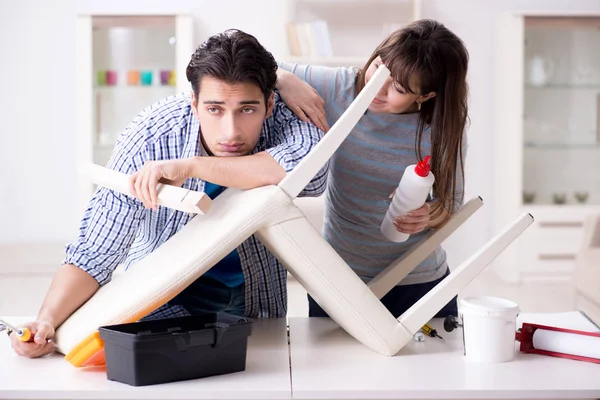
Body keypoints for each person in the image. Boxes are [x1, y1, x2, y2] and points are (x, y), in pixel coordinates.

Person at [11, 29, 327, 358]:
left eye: (247, 110)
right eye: (215, 109)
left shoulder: (286, 114)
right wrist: (45, 321)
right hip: (165, 300)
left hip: (255, 297)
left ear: (269, 103)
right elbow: (95, 250)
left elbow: (314, 176)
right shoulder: (150, 136)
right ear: (194, 103)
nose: (230, 132)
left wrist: (192, 167)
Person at [275, 19, 469, 318]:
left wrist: (427, 215)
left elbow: (450, 205)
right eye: (378, 68)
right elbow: (249, 60)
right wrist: (283, 79)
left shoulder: (443, 128)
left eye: (399, 88)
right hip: (339, 278)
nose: (378, 88)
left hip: (418, 282)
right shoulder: (339, 87)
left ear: (426, 95)